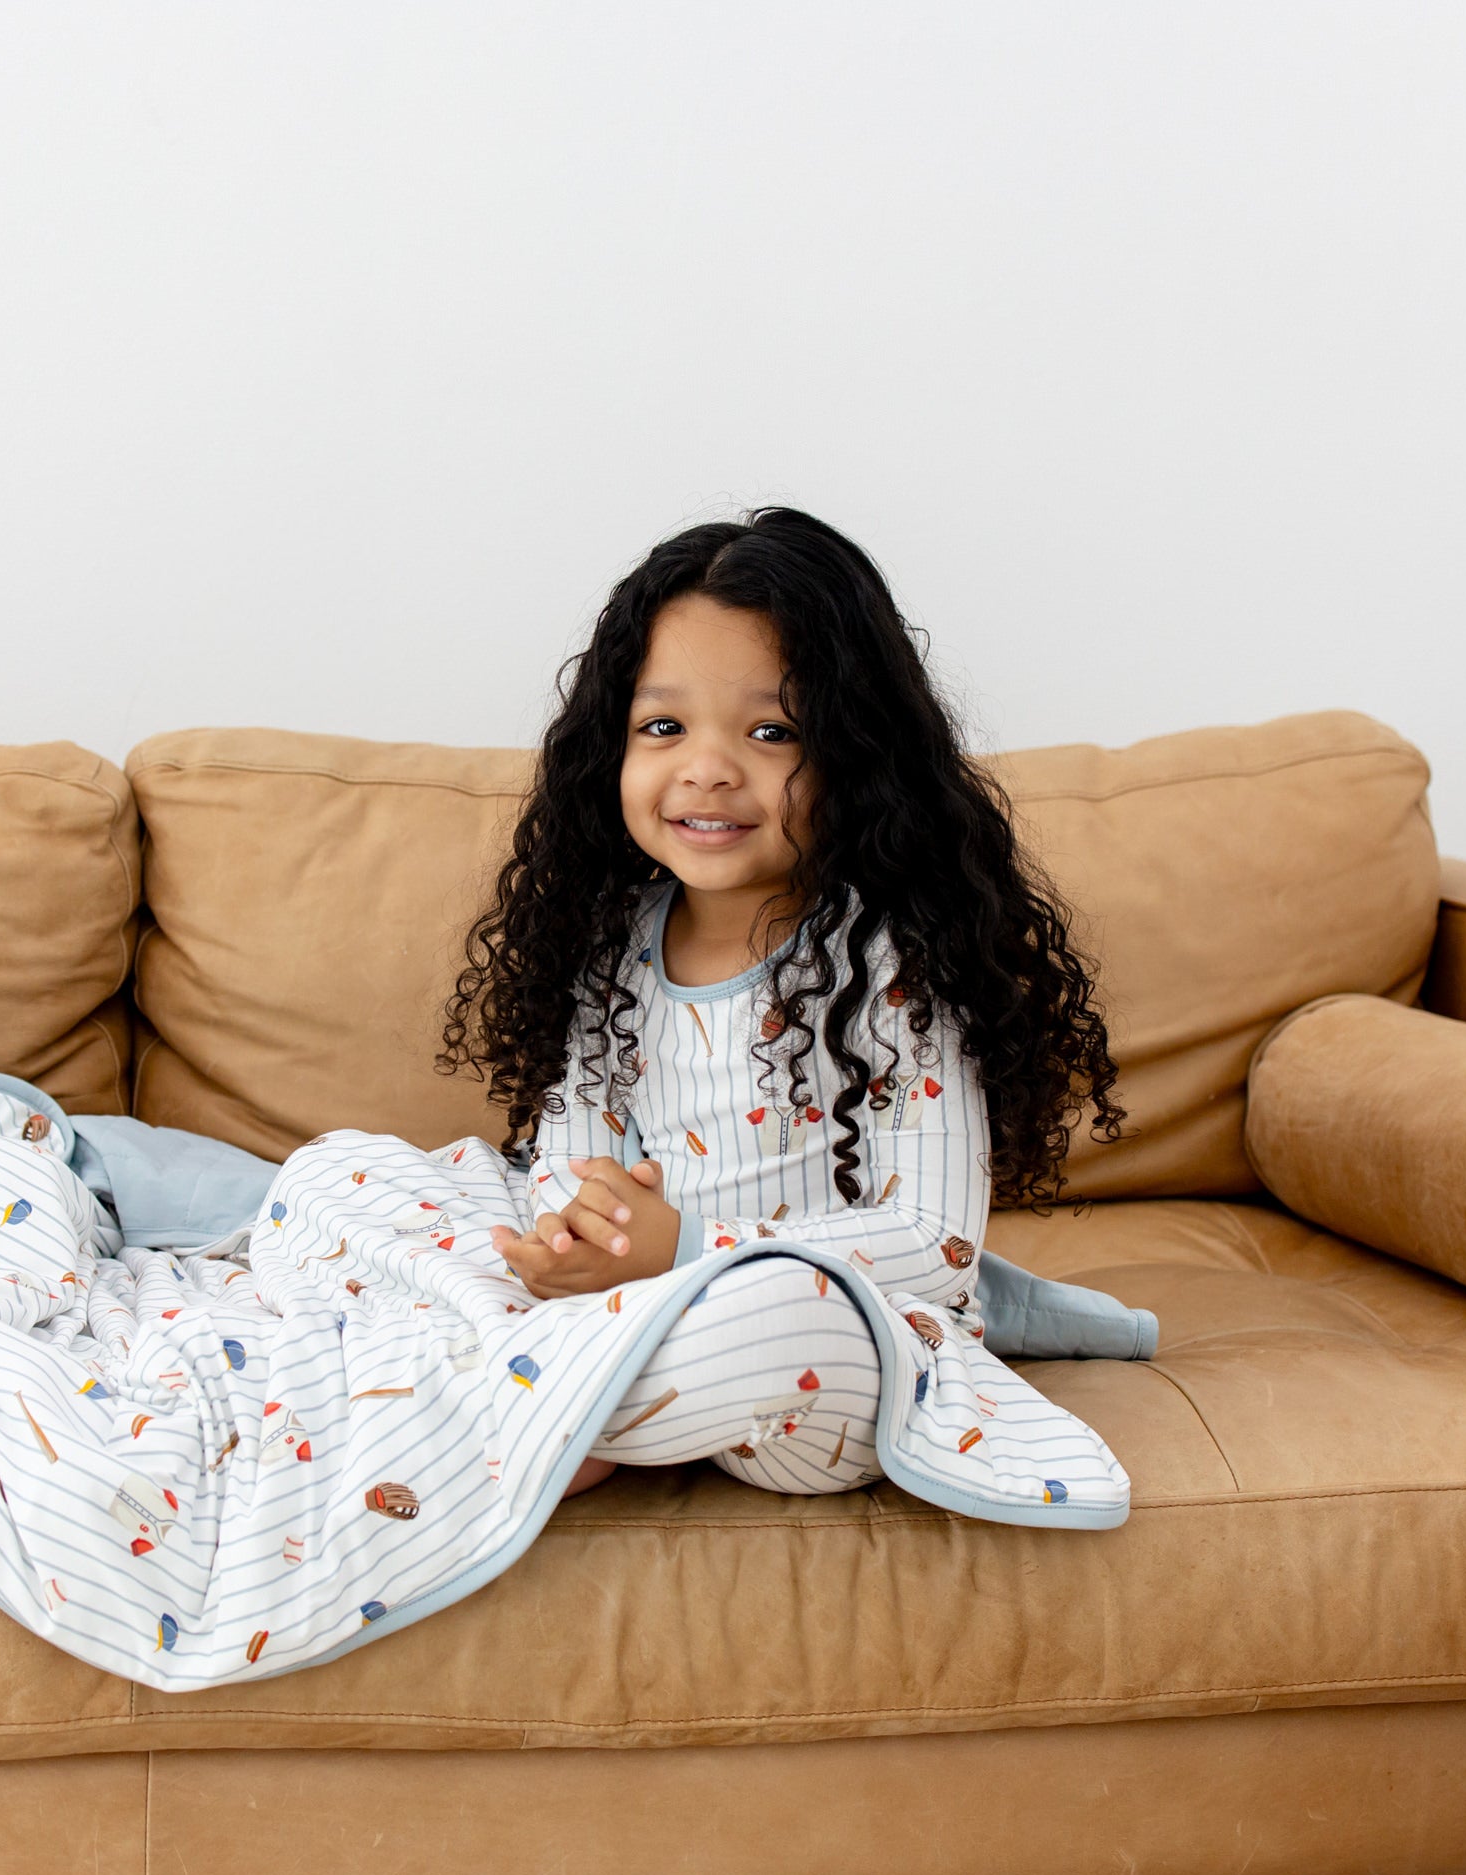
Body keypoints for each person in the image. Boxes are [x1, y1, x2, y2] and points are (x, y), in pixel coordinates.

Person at [438, 508, 1126, 1501]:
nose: (708, 766)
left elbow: (937, 1241)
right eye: (662, 725)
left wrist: (692, 1254)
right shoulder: (604, 944)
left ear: (857, 755)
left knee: (778, 1318)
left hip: (829, 1344)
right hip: (627, 1301)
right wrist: (568, 1237)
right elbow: (569, 1152)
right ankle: (579, 1391)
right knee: (355, 1173)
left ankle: (539, 1407)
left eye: (770, 730)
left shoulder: (893, 954)